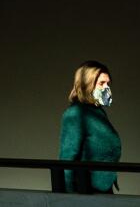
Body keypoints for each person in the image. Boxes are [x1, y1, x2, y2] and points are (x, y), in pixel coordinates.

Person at [57, 61, 122, 194]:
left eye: (108, 83)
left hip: (102, 189)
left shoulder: (97, 112)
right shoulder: (76, 113)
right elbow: (67, 159)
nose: (106, 88)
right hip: (85, 192)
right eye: (101, 83)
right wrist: (68, 199)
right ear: (87, 84)